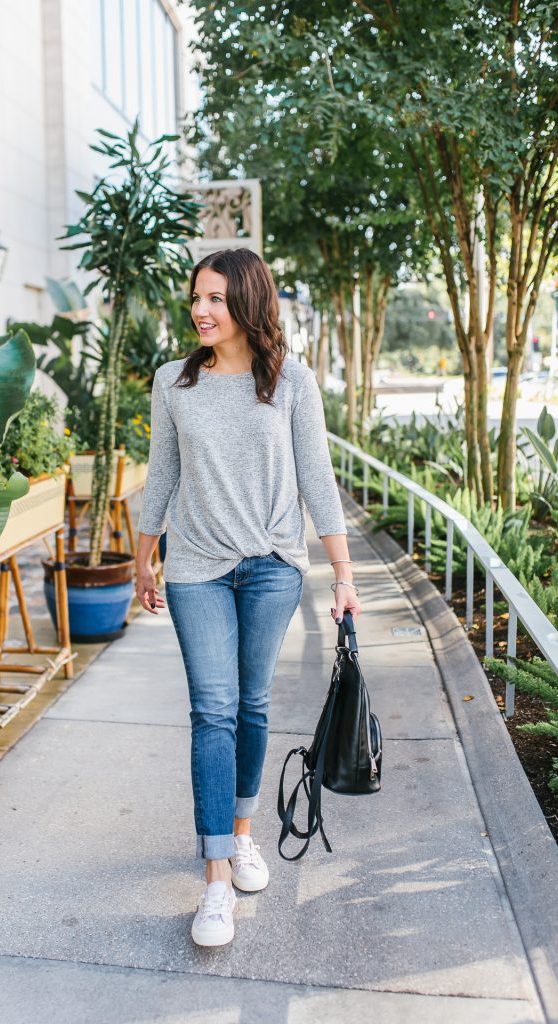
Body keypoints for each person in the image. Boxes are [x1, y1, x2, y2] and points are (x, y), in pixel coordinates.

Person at [135, 248, 361, 947]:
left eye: (214, 299)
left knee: (252, 704)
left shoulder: (290, 380)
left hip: (270, 569)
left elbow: (317, 481)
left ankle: (241, 835)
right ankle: (213, 883)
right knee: (213, 710)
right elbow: (161, 474)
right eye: (195, 297)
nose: (200, 310)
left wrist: (344, 576)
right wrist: (143, 561)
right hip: (196, 568)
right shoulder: (173, 382)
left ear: (247, 304)